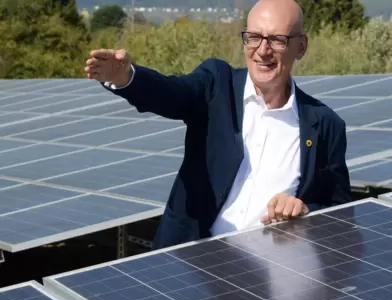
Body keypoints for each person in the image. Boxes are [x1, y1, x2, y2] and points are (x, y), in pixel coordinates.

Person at [84, 0, 351, 249]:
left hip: (269, 277)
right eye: (254, 37)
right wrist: (128, 78)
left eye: (277, 40)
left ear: (301, 47)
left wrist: (304, 212)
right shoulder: (216, 86)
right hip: (191, 266)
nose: (263, 50)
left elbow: (339, 212)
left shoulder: (325, 125)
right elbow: (171, 93)